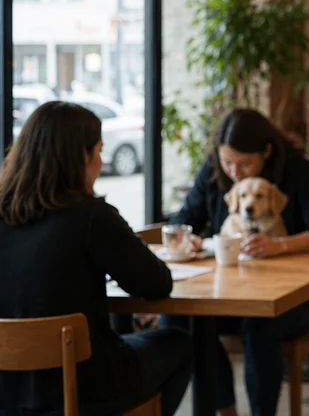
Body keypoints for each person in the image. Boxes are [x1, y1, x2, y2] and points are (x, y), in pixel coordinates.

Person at [0, 101, 192, 415]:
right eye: (99, 151)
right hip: (83, 389)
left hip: (7, 395)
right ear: (79, 157)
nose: (101, 163)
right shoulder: (91, 216)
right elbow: (158, 283)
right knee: (179, 344)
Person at [167, 107, 309, 416]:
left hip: (288, 300)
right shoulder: (212, 172)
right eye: (227, 162)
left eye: (244, 163)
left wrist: (280, 246)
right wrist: (190, 238)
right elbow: (185, 220)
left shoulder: (297, 171)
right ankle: (225, 407)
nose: (234, 171)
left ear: (266, 151)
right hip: (226, 295)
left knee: (259, 323)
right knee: (179, 320)